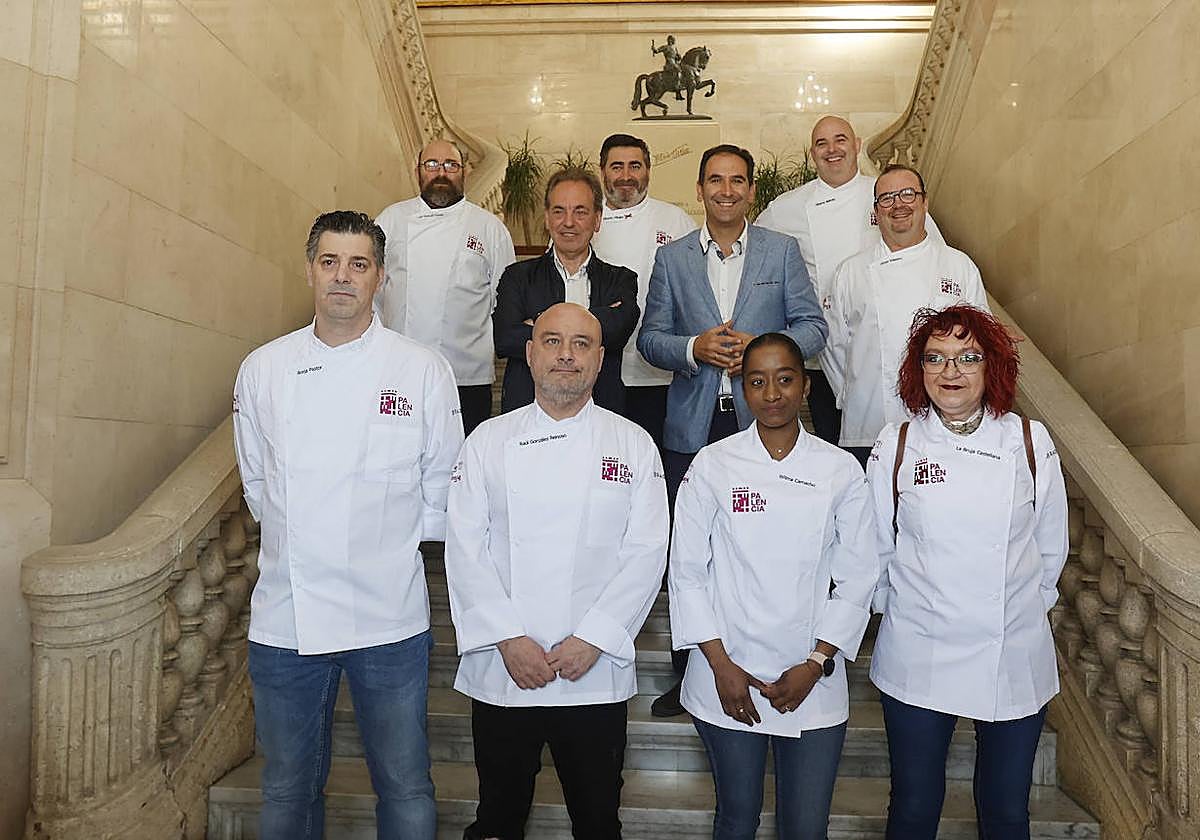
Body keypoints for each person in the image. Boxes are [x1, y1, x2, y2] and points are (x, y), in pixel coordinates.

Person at [232, 211, 464, 839]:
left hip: (389, 616)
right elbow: (260, 486)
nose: (343, 276)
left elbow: (443, 485)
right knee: (286, 790)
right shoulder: (264, 368)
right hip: (288, 616)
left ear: (380, 277)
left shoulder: (421, 369)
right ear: (309, 270)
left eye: (358, 264)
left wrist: (380, 539)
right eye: (330, 262)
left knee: (406, 786)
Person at [446, 302, 669, 840]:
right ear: (529, 354)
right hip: (506, 670)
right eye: (552, 341)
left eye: (580, 344)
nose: (565, 355)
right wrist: (507, 638)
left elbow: (646, 551)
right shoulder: (486, 441)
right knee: (497, 819)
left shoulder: (632, 444)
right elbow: (464, 548)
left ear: (600, 360)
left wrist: (593, 639)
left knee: (597, 821)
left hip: (592, 673)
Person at [637, 143, 828, 716]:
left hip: (767, 426)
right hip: (693, 428)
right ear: (699, 190)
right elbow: (650, 338)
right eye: (715, 180)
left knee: (766, 548)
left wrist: (767, 351)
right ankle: (689, 676)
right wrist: (693, 347)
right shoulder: (672, 258)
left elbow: (813, 327)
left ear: (751, 190)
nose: (726, 190)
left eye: (737, 180)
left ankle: (776, 665)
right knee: (689, 555)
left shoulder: (781, 251)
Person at [866, 304, 1068, 839]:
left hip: (1011, 650)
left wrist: (1017, 610)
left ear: (991, 366)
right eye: (935, 358)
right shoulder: (898, 443)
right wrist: (905, 612)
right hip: (920, 651)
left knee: (1006, 812)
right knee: (913, 807)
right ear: (919, 370)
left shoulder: (1030, 441)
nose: (950, 371)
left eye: (967, 357)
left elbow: (1050, 550)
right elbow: (876, 549)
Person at [670, 332, 877, 839]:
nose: (772, 394)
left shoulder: (839, 470)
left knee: (805, 827)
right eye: (757, 382)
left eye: (785, 379)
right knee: (736, 818)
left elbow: (858, 576)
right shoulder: (713, 463)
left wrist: (816, 663)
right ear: (742, 389)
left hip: (813, 678)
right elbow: (687, 571)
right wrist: (721, 666)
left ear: (806, 386)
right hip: (727, 673)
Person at [756, 115, 942, 445]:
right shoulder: (785, 208)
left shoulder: (890, 194)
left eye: (840, 139)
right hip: (825, 354)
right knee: (840, 450)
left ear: (856, 145)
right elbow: (754, 254)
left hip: (901, 348)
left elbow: (936, 258)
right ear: (812, 153)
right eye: (822, 143)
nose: (832, 149)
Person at [825, 163, 988, 466]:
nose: (898, 204)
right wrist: (854, 395)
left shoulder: (959, 266)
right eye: (887, 198)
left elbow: (979, 348)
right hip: (870, 427)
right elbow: (834, 347)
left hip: (944, 426)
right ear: (876, 212)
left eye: (908, 194)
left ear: (924, 202)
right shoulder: (851, 272)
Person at [375, 138, 516, 437]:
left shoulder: (490, 229)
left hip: (466, 376)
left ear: (464, 172)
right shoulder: (391, 220)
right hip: (399, 372)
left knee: (463, 457)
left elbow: (503, 301)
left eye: (451, 165)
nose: (441, 173)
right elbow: (373, 295)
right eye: (432, 165)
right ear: (417, 171)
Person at [493, 167, 639, 415]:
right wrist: (595, 319)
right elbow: (506, 339)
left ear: (597, 220)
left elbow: (617, 333)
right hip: (527, 413)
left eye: (580, 212)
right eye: (559, 211)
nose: (568, 222)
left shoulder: (620, 280)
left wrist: (538, 322)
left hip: (601, 413)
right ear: (547, 218)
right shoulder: (517, 277)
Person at [592, 133, 696, 449]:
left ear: (648, 170)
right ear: (602, 171)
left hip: (659, 372)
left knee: (654, 456)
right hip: (595, 371)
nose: (626, 176)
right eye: (617, 167)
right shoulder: (583, 220)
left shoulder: (676, 220)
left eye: (635, 166)